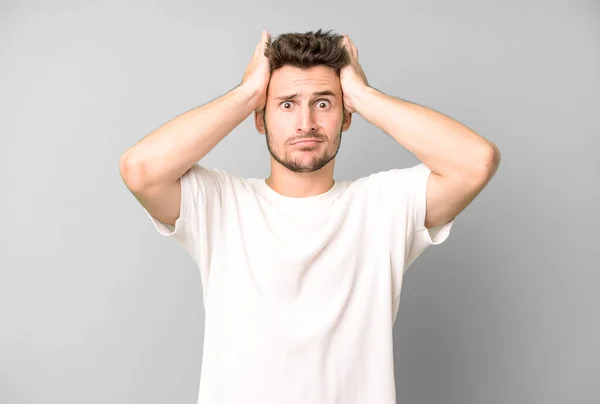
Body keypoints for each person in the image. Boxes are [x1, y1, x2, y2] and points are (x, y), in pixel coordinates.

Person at [119, 29, 500, 404]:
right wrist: (246, 93)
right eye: (286, 104)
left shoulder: (383, 204)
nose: (306, 124)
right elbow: (140, 169)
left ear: (346, 116)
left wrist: (365, 96)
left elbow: (476, 161)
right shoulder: (220, 203)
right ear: (259, 119)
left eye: (323, 103)